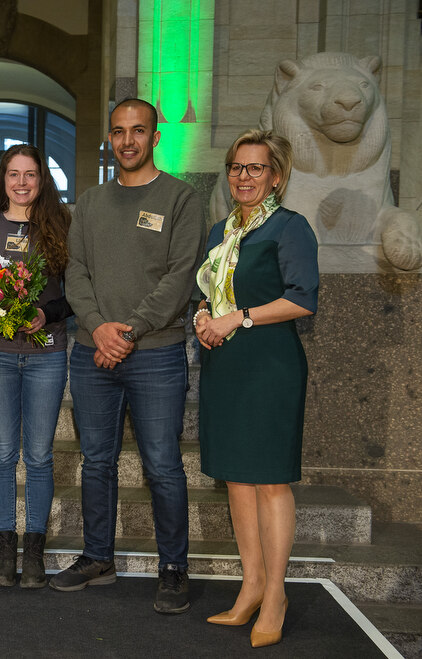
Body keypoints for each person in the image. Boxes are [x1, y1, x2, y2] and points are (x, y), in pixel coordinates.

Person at [54, 98, 205, 614]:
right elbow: (76, 272)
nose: (127, 141)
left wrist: (130, 331)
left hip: (156, 355)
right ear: (110, 138)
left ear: (155, 135)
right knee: (96, 462)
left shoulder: (182, 199)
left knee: (162, 464)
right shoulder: (91, 202)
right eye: (118, 132)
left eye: (137, 131)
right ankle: (98, 556)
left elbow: (181, 276)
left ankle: (173, 567)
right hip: (93, 354)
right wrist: (99, 330)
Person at [195, 130, 318, 648]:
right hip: (224, 366)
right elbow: (208, 290)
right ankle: (249, 587)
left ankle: (275, 596)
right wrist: (204, 315)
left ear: (276, 176)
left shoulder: (290, 228)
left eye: (255, 168)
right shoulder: (221, 232)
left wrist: (236, 319)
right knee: (238, 480)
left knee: (269, 481)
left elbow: (302, 299)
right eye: (236, 167)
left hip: (269, 366)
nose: (243, 176)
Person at [0, 144, 72, 588]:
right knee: (3, 453)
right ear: (2, 179)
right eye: (13, 174)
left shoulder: (62, 227)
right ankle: (5, 551)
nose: (22, 183)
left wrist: (50, 313)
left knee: (40, 456)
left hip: (48, 352)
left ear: (42, 180)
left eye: (30, 174)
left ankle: (34, 552)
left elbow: (77, 290)